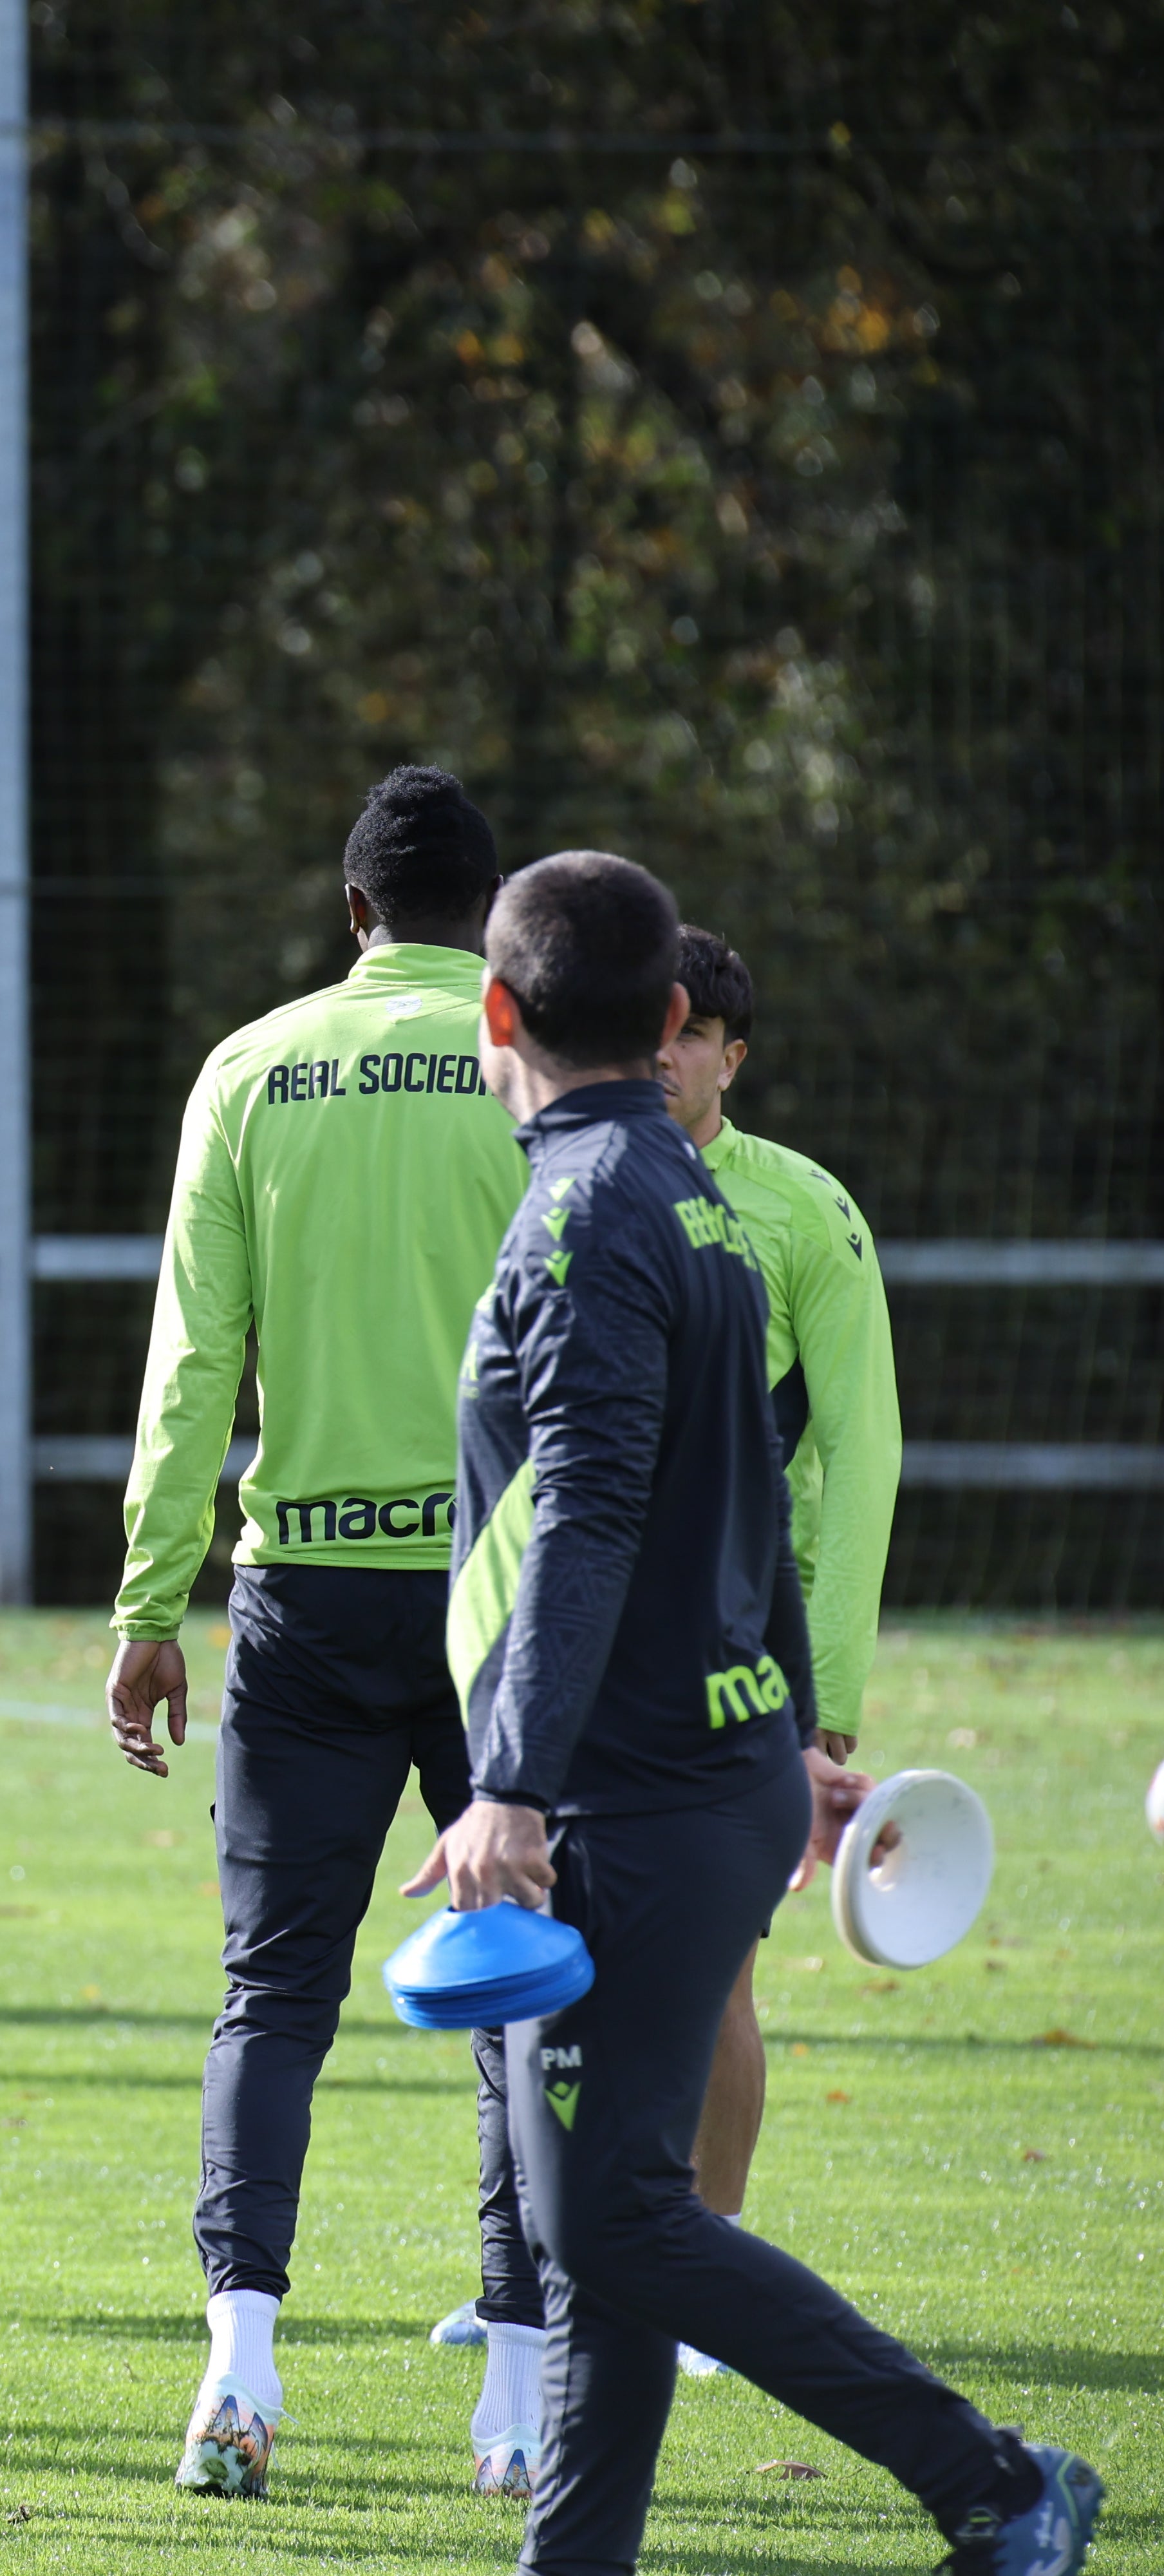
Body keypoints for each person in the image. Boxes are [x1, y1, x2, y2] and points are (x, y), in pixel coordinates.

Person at [417, 849, 1098, 2576]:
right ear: (667, 1026)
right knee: (617, 2234)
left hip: (632, 1798)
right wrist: (790, 1728)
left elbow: (585, 1512)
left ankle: (996, 2482)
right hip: (716, 1766)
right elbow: (760, 1488)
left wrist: (510, 1781)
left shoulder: (580, 1218)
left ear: (496, 1013)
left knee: (607, 2219)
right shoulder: (703, 1198)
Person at [104, 766, 542, 2499]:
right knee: (520, 1995)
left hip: (309, 1593)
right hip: (510, 1601)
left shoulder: (254, 1067)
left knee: (270, 1995)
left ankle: (241, 2374)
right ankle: (514, 2405)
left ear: (351, 912)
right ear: (492, 923)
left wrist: (150, 1599)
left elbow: (191, 1368)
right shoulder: (535, 1071)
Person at [655, 923, 902, 2268]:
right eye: (652, 1022)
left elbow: (864, 1450)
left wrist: (834, 1698)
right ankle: (541, 2274)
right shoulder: (560, 1184)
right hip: (601, 1647)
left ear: (733, 1058)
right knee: (555, 1967)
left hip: (756, 1648)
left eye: (692, 1031)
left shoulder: (805, 1208)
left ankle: (714, 2254)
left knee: (715, 1973)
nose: (665, 1049)